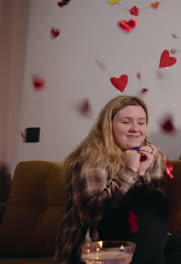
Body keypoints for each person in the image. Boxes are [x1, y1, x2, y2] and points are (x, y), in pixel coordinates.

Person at [55, 96, 169, 264]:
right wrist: (130, 171)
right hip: (95, 246)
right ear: (108, 126)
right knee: (155, 198)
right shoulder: (90, 159)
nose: (135, 129)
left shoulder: (153, 156)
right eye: (126, 122)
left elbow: (152, 217)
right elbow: (91, 215)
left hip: (138, 241)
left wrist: (142, 171)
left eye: (141, 122)